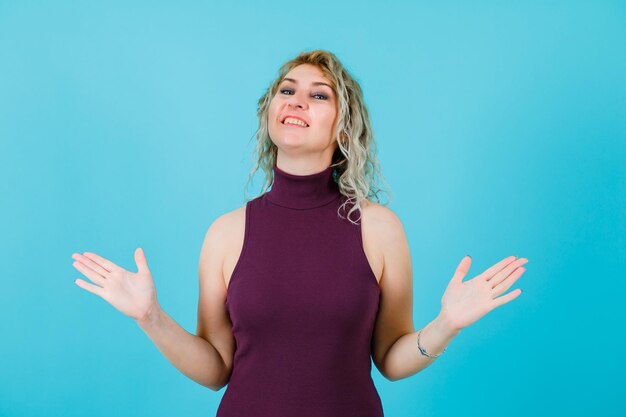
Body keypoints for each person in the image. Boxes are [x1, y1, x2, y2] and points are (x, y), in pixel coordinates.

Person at [71, 49, 528, 416]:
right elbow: (215, 370)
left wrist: (446, 324)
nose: (296, 100)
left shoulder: (378, 229)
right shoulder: (225, 234)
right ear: (270, 114)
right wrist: (150, 317)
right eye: (287, 90)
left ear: (344, 128)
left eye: (319, 95)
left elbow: (390, 359)